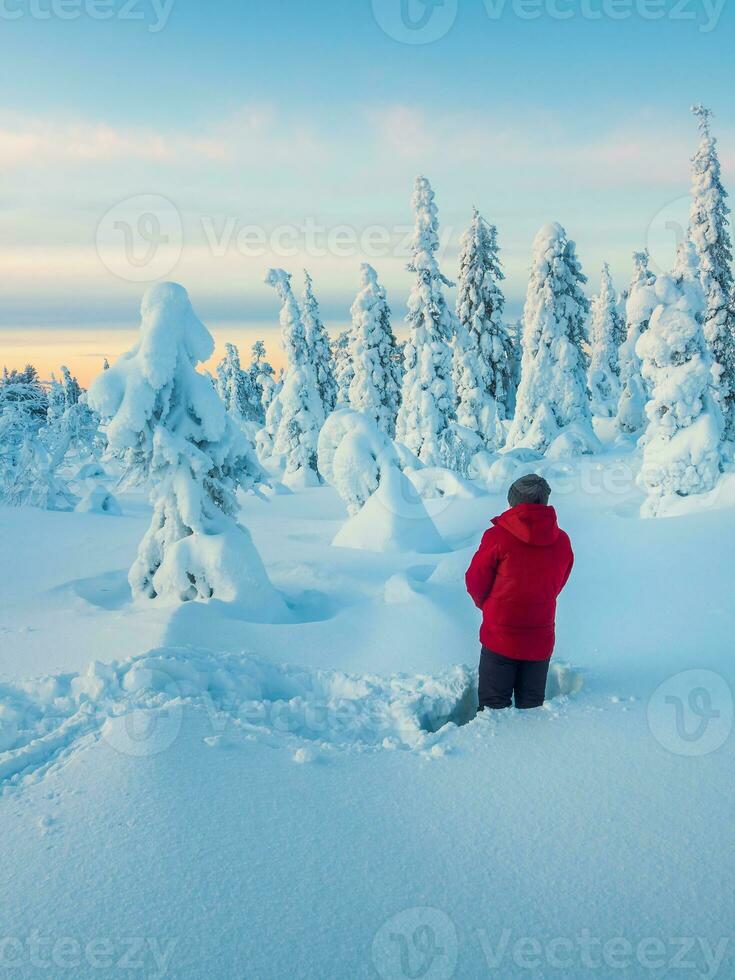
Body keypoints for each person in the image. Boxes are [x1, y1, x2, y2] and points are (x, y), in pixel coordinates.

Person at [465, 474, 574, 710]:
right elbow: (560, 582)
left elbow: (475, 580)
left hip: (499, 634)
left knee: (493, 709)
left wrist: (490, 605)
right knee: (532, 709)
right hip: (540, 635)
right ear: (545, 501)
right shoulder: (562, 541)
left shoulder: (497, 537)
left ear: (513, 502)